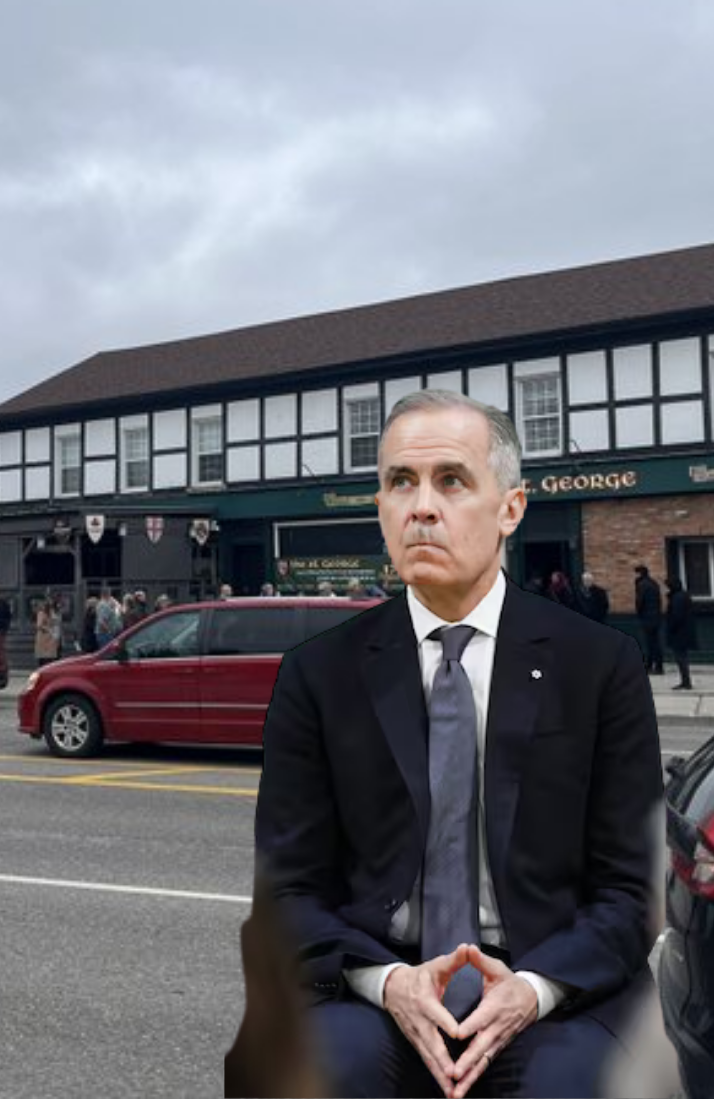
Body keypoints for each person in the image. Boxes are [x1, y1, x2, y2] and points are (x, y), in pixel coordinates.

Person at [254, 390, 658, 1098]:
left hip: (552, 983)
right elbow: (288, 889)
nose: (421, 507)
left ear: (511, 508)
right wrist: (387, 981)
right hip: (373, 982)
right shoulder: (318, 674)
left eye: (451, 481)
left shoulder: (600, 665)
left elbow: (631, 888)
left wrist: (535, 988)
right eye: (400, 483)